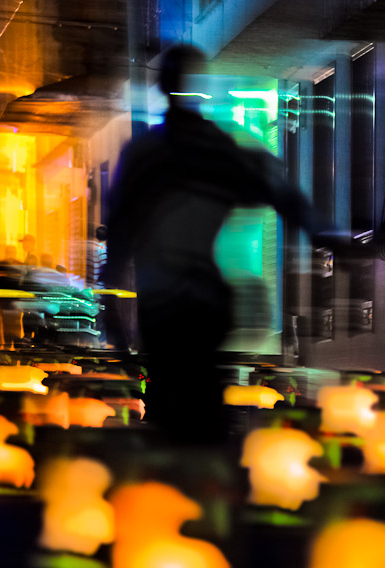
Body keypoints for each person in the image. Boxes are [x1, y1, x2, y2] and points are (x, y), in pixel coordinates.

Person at [103, 44, 328, 444]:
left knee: (172, 408)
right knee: (200, 406)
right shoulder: (216, 149)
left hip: (165, 306)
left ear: (164, 88)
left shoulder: (148, 154)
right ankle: (202, 469)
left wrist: (115, 321)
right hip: (201, 304)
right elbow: (281, 193)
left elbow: (118, 242)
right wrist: (322, 235)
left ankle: (180, 471)